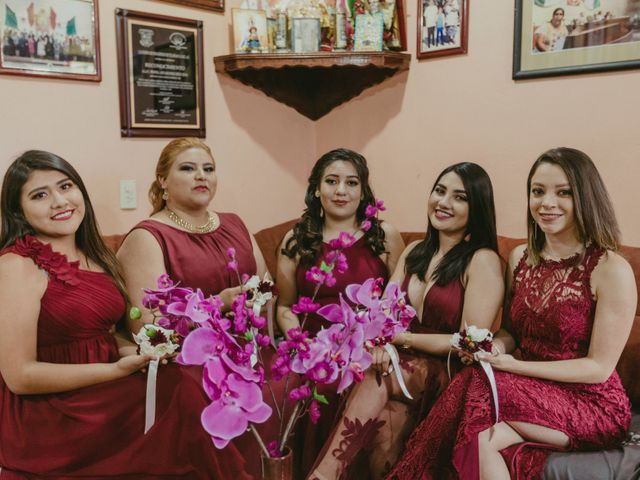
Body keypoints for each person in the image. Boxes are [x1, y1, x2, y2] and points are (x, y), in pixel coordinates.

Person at [387, 147, 636, 480]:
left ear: (586, 197)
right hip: (526, 389)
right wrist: (495, 349)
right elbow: (511, 333)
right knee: (480, 437)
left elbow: (598, 368)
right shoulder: (520, 258)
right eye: (538, 191)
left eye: (563, 192)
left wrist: (515, 366)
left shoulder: (610, 269)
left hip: (590, 403)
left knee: (474, 387)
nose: (546, 203)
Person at [0, 150, 251, 479]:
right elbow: (20, 377)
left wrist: (141, 353)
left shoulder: (96, 255)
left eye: (66, 186)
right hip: (53, 411)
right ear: (19, 210)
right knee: (181, 398)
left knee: (182, 383)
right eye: (40, 195)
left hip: (104, 390)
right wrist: (116, 370)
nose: (59, 201)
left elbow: (106, 334)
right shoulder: (15, 265)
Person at [308, 162, 504, 480]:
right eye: (439, 191)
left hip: (451, 370)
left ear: (477, 207)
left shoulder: (482, 260)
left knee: (377, 375)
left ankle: (322, 476)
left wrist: (399, 342)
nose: (444, 202)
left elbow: (469, 342)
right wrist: (381, 345)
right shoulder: (415, 251)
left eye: (459, 197)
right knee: (388, 418)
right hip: (400, 366)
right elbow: (382, 314)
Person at [117, 137, 269, 478]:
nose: (201, 176)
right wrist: (220, 303)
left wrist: (256, 301)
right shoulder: (148, 236)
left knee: (291, 384)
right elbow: (150, 328)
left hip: (248, 349)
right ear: (163, 180)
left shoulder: (235, 223)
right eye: (188, 168)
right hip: (187, 362)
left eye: (209, 169)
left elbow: (265, 284)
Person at [276, 148, 405, 477]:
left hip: (367, 348)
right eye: (331, 181)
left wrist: (378, 343)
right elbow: (285, 306)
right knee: (312, 387)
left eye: (351, 183)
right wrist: (302, 342)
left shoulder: (384, 236)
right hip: (313, 350)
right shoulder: (296, 240)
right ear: (317, 188)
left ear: (363, 191)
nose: (341, 191)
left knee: (349, 385)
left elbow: (398, 302)